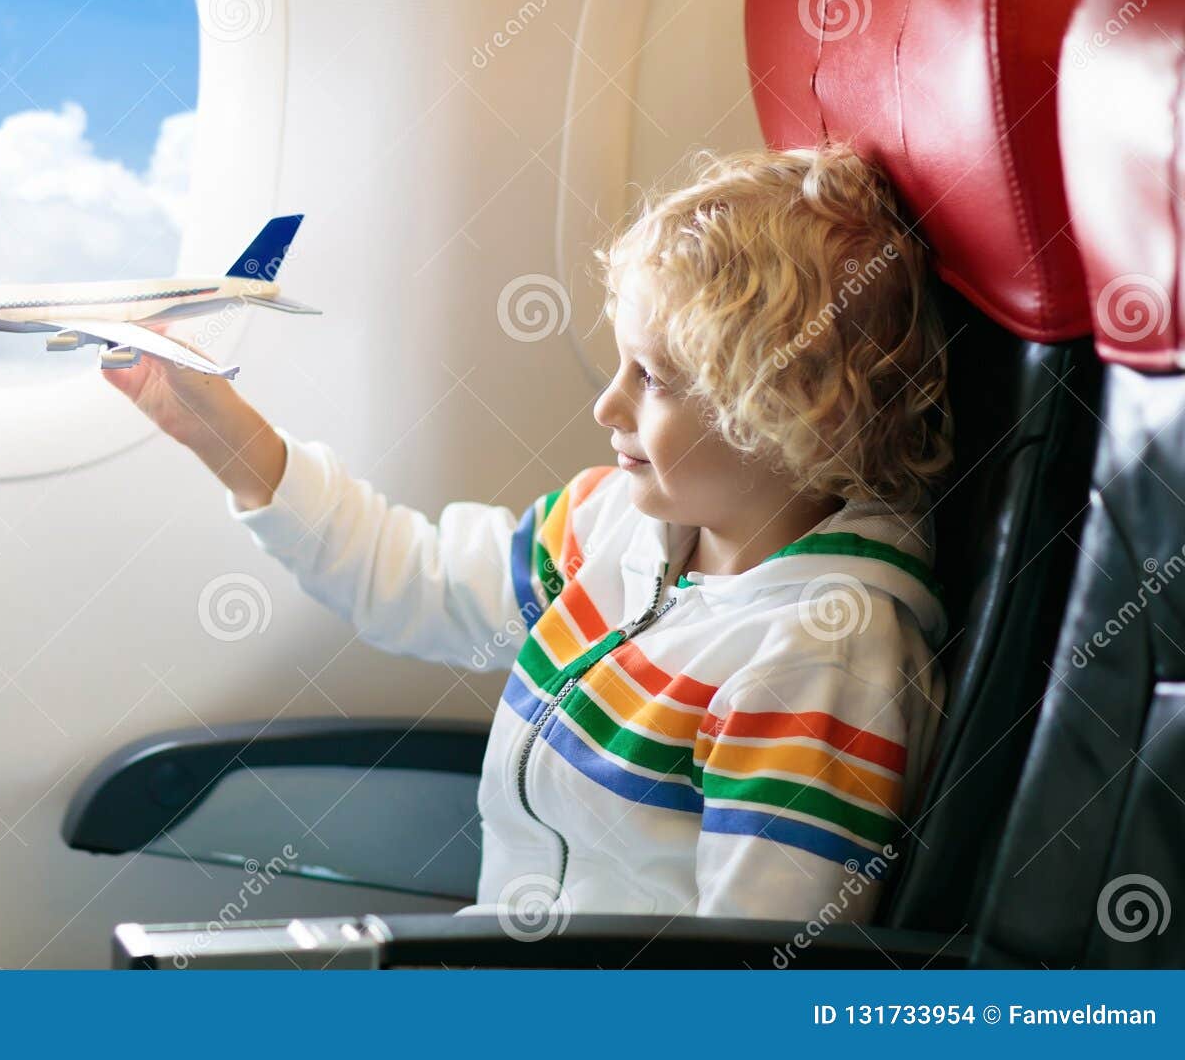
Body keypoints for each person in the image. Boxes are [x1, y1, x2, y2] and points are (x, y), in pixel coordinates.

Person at [106, 143, 953, 924]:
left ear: (791, 413)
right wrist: (224, 438)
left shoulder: (819, 653)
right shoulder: (615, 524)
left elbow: (753, 977)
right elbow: (421, 583)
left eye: (651, 377)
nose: (607, 405)